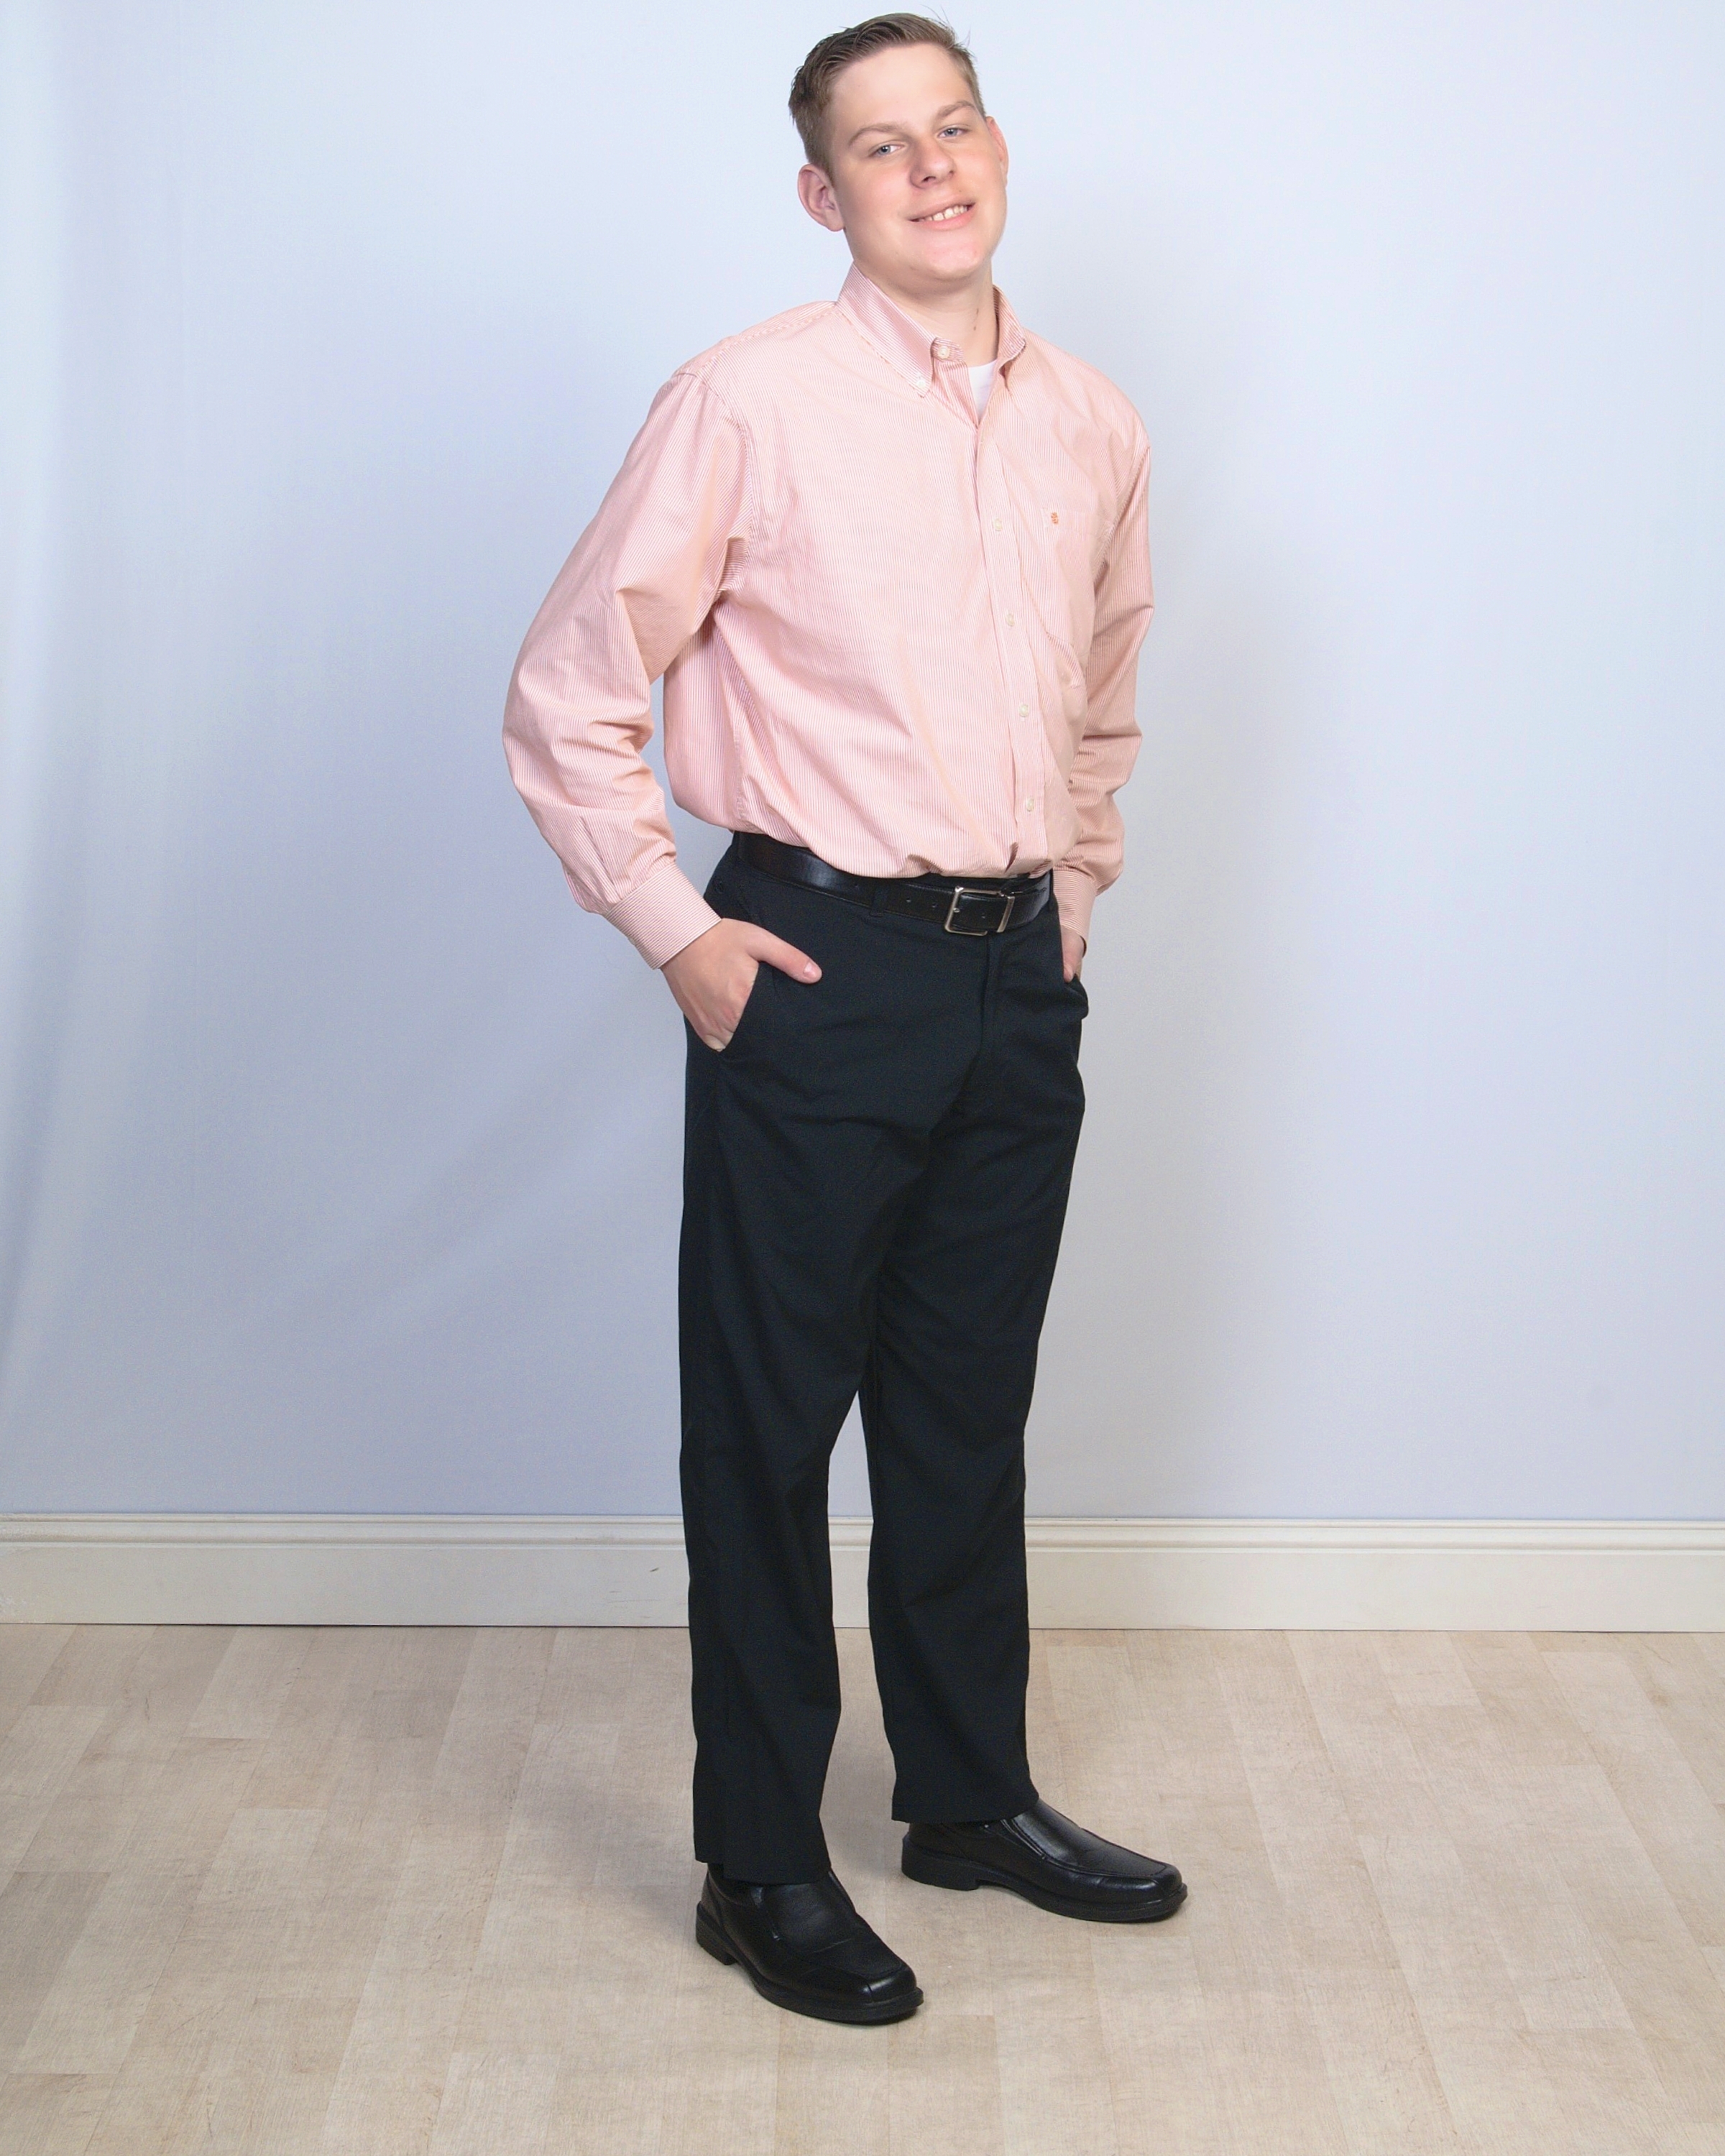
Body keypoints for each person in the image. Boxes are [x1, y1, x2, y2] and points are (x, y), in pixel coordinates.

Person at [503, 12, 1184, 2026]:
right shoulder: (748, 401)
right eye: (882, 146)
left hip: (1012, 983)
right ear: (825, 194)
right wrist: (679, 932)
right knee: (770, 1425)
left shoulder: (1094, 421)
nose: (932, 166)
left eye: (953, 124)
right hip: (811, 967)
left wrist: (1070, 899)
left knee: (967, 1413)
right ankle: (760, 1863)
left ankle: (966, 1800)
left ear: (998, 146)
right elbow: (570, 691)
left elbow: (1103, 694)